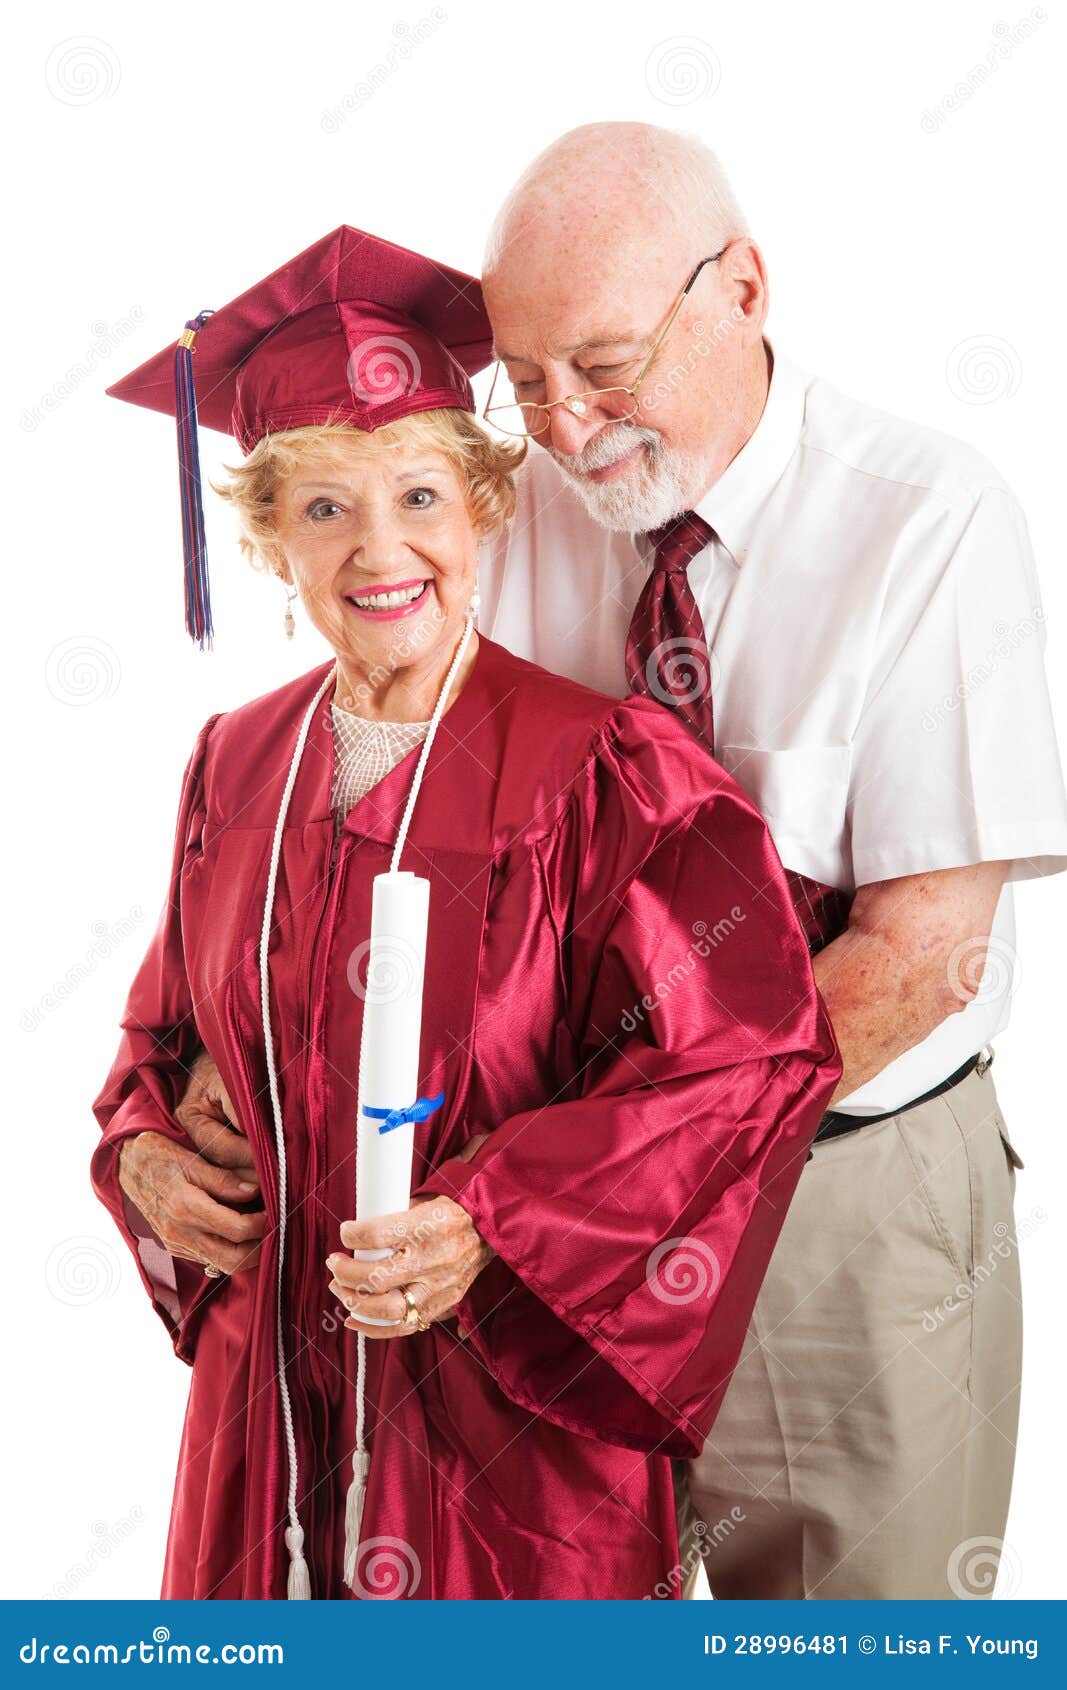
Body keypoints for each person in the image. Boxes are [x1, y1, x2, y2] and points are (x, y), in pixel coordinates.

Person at [89, 225, 841, 1601]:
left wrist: (497, 1216)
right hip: (268, 1411)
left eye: (421, 495)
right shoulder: (233, 764)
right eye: (326, 508)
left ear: (486, 507)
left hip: (507, 1428)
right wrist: (143, 1156)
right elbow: (161, 1045)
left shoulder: (605, 768)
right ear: (267, 538)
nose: (382, 549)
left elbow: (747, 1061)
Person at [470, 122, 1067, 1599]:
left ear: (742, 287)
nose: (564, 424)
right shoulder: (510, 509)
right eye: (524, 379)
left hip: (840, 1204)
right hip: (549, 1209)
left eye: (604, 364)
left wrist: (630, 1166)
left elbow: (922, 960)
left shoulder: (930, 518)